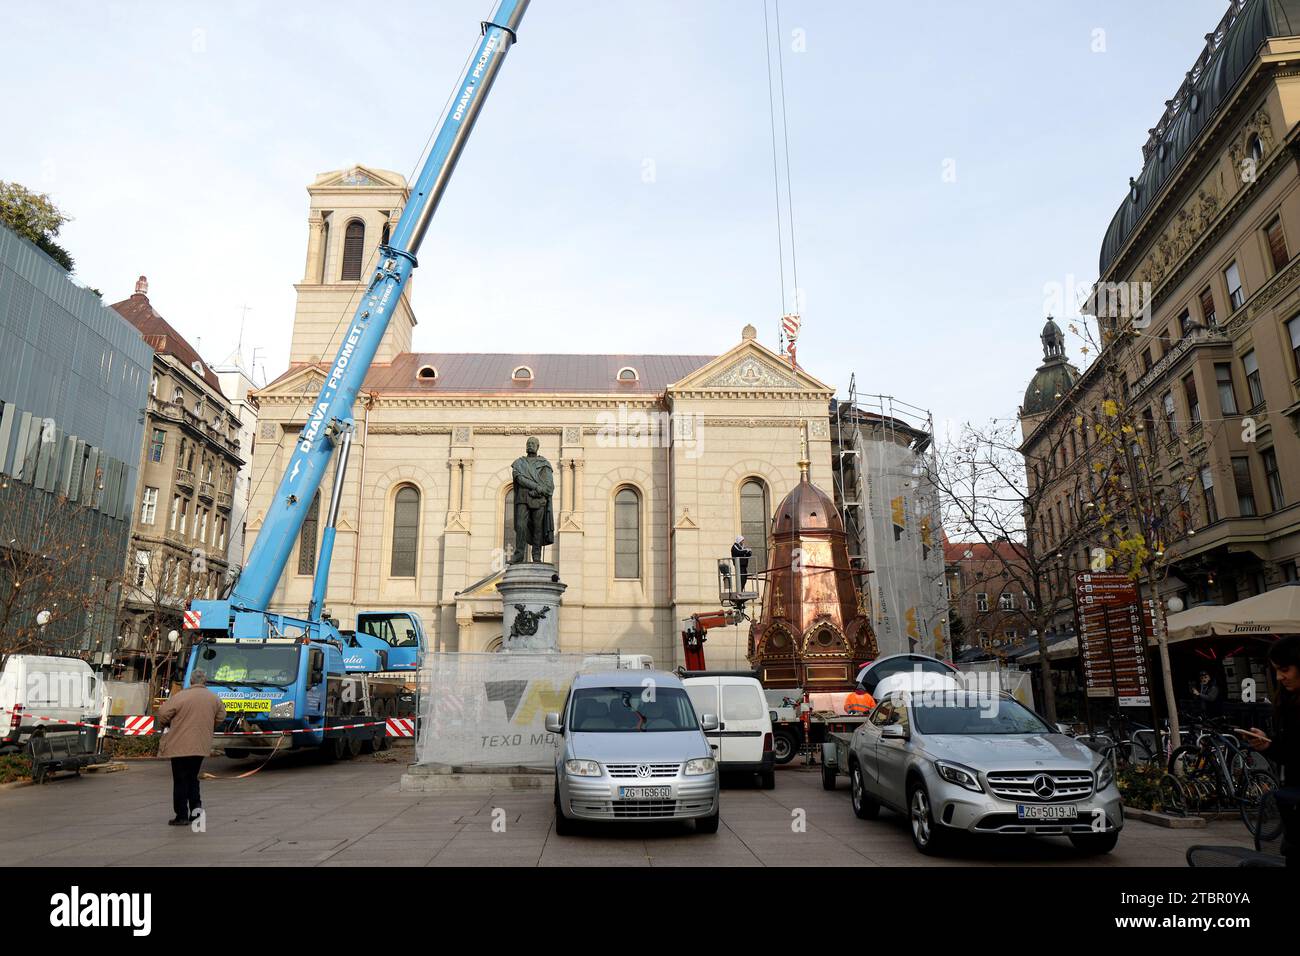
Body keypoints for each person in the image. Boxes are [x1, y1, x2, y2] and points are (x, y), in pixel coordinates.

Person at [1245, 635, 1300, 866]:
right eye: (1276, 670)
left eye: (1285, 669)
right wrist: (1268, 744)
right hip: (1294, 807)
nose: (1280, 677)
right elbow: (1290, 751)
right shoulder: (1287, 699)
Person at [154, 670, 226, 827]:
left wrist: (168, 724)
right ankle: (196, 811)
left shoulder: (181, 696)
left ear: (191, 681)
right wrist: (210, 725)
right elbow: (221, 716)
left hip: (179, 744)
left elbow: (163, 714)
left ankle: (181, 815)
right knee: (193, 777)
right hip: (200, 744)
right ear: (204, 681)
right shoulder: (213, 698)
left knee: (180, 779)